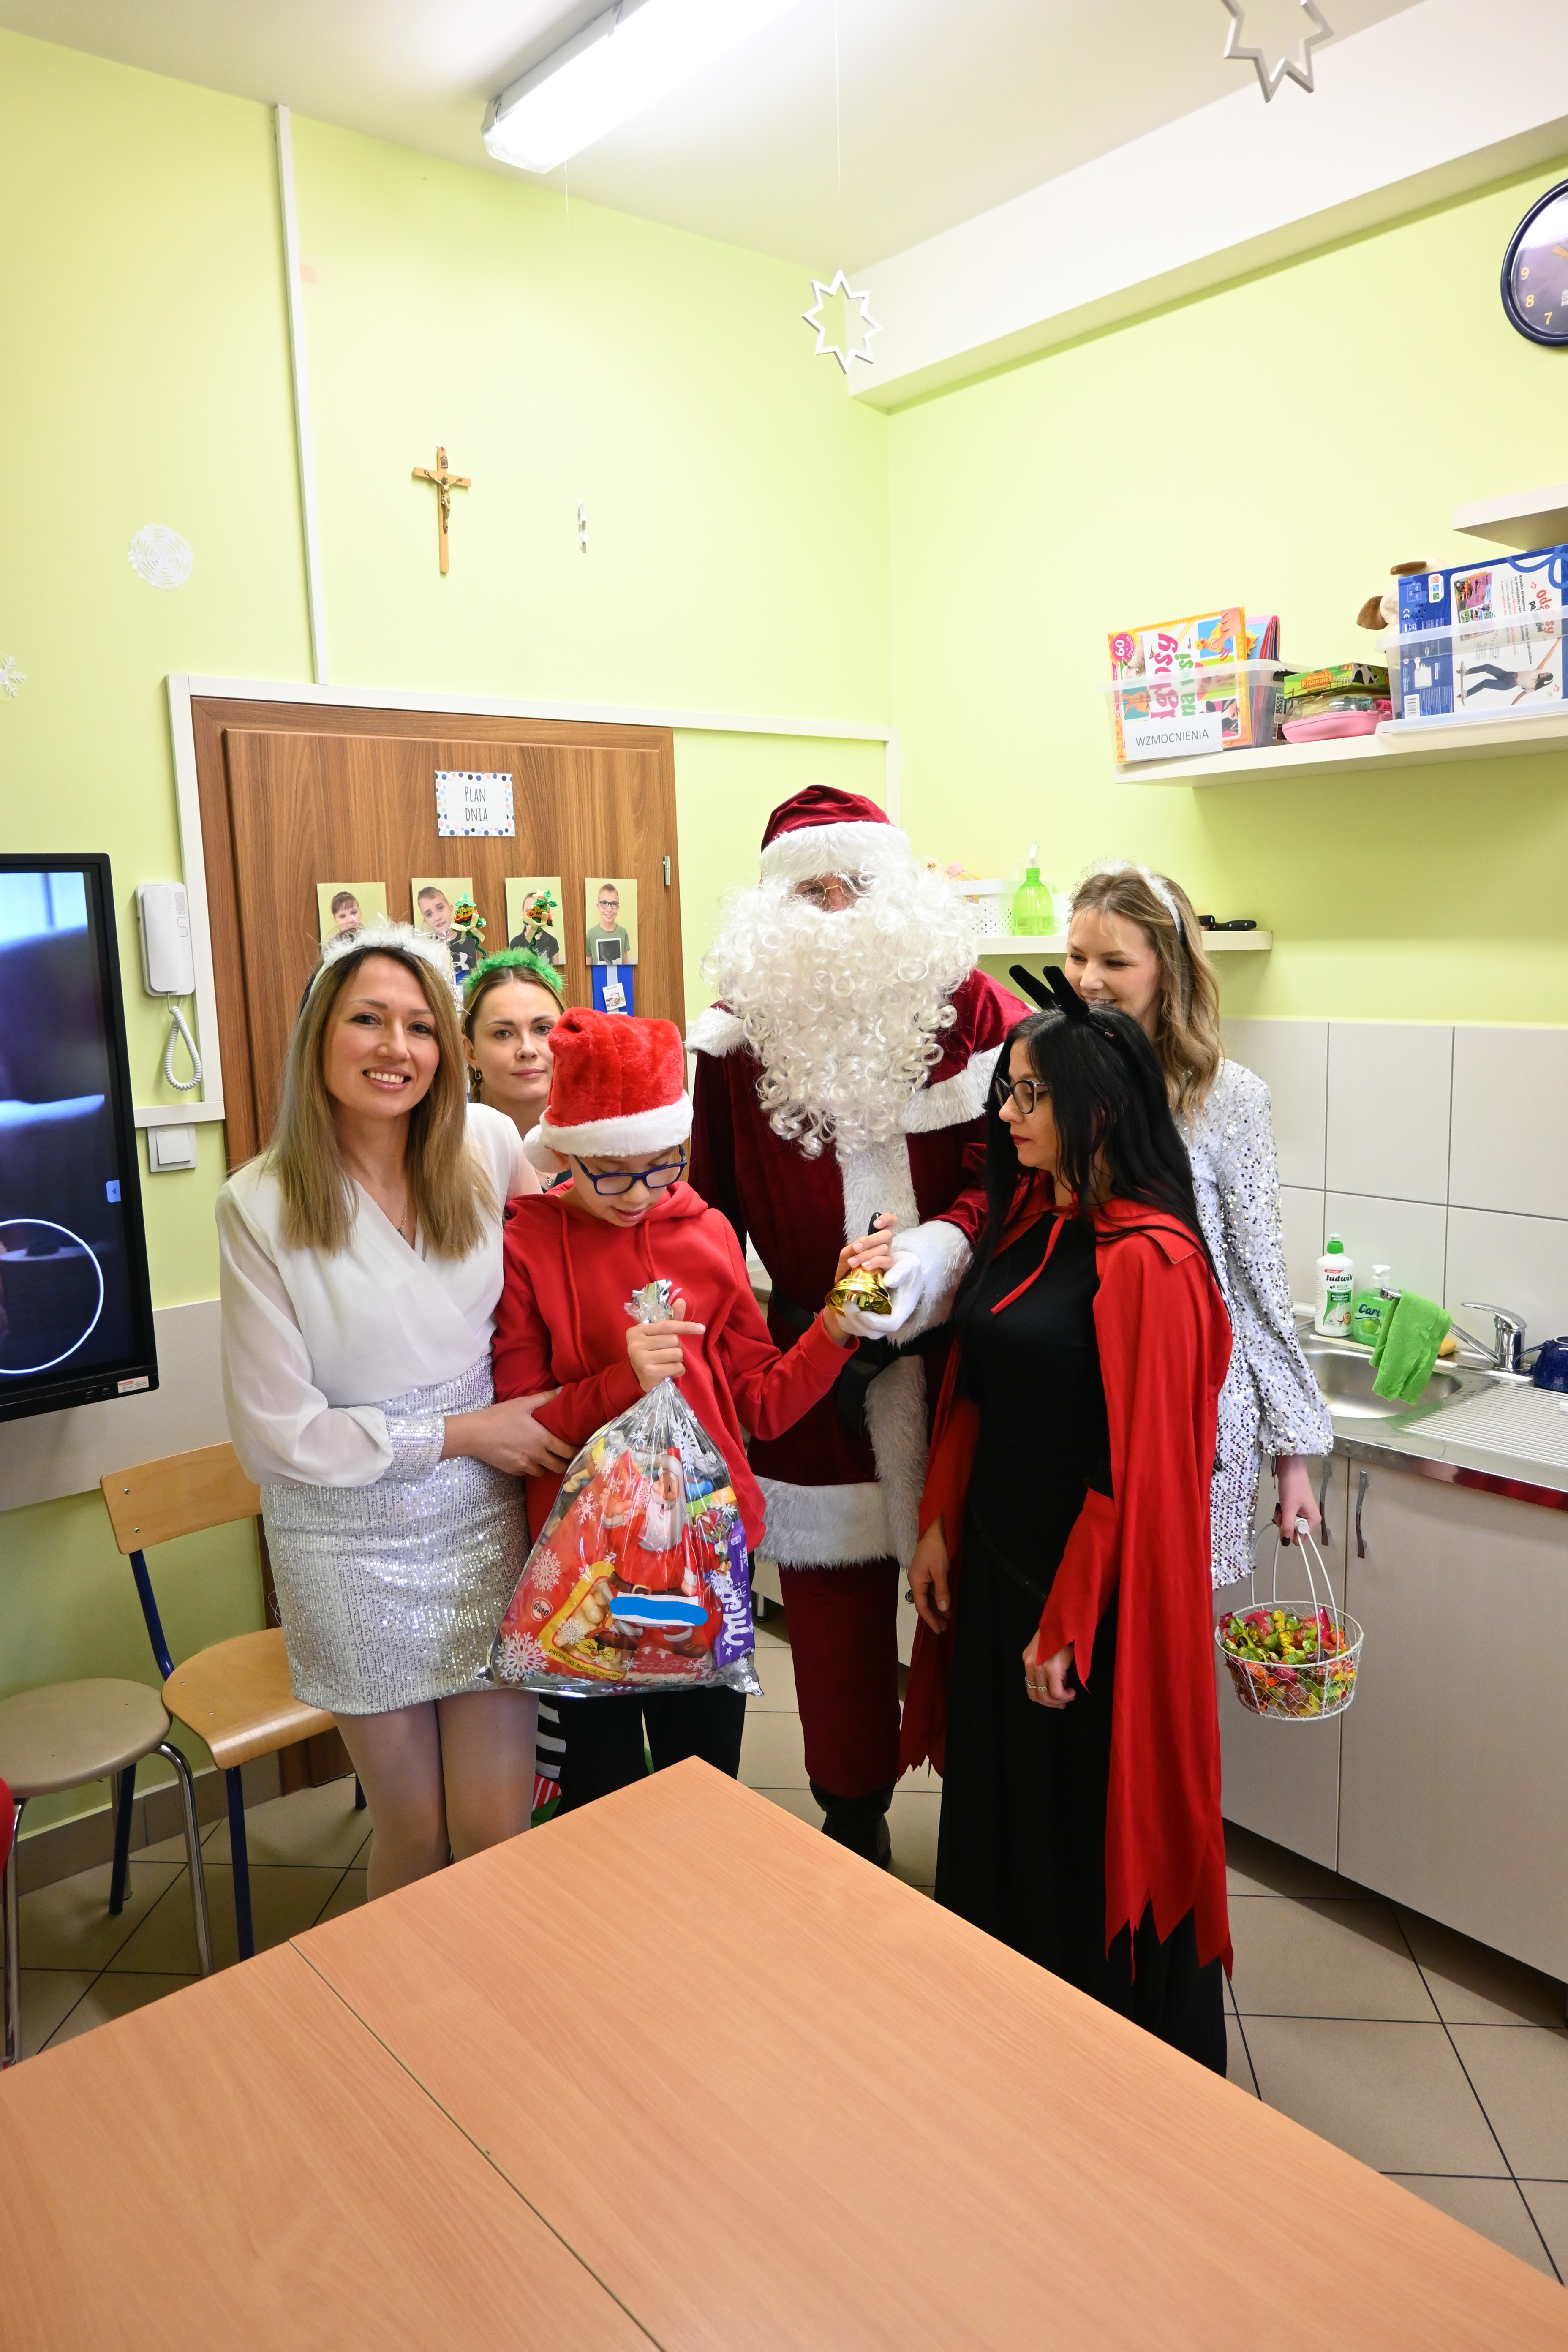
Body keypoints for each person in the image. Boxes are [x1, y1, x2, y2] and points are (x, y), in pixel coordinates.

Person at [900, 976, 1233, 2069]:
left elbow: (1132, 1470)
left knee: (1083, 1826)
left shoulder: (1154, 1260)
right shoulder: (1030, 1222)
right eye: (1008, 1091)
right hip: (998, 1573)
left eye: (1029, 1095)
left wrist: (1071, 1621)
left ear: (1098, 1107)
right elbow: (978, 1391)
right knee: (1003, 1809)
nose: (1006, 1114)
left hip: (1095, 1610)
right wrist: (939, 1527)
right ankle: (1002, 2046)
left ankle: (1099, 2070)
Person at [687, 784, 1024, 1865]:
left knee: (975, 1605)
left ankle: (987, 1828)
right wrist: (735, 1362)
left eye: (854, 884)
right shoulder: (733, 1037)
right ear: (771, 910)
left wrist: (928, 1255)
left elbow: (1010, 1174)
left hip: (962, 1361)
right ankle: (851, 1822)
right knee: (831, 1624)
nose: (834, 908)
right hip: (808, 1361)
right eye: (810, 891)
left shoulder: (978, 1013)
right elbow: (705, 1215)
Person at [216, 920, 571, 1899]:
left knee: (495, 1830)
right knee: (415, 1836)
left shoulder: (487, 1144)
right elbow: (277, 1435)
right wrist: (469, 1432)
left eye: (418, 1025)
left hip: (486, 1520)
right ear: (318, 1036)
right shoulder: (258, 1205)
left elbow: (555, 1289)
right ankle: (400, 2001)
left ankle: (491, 1998)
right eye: (367, 1019)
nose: (396, 1047)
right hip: (347, 1543)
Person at [491, 1007, 889, 1811]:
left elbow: (763, 1403)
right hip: (590, 1567)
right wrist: (621, 1379)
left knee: (703, 1786)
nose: (639, 1193)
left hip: (707, 1554)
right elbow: (520, 1423)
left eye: (660, 1166)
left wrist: (838, 1322)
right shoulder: (526, 1242)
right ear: (564, 1152)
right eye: (610, 1172)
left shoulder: (705, 1231)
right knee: (600, 1794)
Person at [1065, 864, 1332, 1582]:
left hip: (1191, 1406)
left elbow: (1256, 1281)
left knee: (1160, 1621)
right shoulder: (1053, 1083)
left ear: (1169, 969)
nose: (1089, 980)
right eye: (1078, 956)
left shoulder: (1228, 1097)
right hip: (1076, 1387)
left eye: (1115, 961)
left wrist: (1292, 1458)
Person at [463, 947, 564, 1143]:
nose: (527, 1049)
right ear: (471, 1052)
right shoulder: (444, 1151)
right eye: (503, 1033)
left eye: (543, 1029)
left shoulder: (608, 1148)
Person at [585, 883, 632, 964]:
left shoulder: (623, 933)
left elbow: (626, 963)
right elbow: (588, 964)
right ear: (598, 906)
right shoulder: (590, 935)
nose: (609, 910)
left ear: (618, 908)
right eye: (604, 903)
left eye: (614, 904)